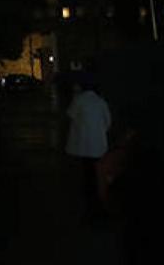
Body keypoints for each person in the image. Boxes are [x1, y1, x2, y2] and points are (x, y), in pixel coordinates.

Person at [65, 77, 111, 222]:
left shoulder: (79, 100)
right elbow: (108, 122)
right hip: (98, 145)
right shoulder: (101, 101)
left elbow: (70, 115)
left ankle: (89, 200)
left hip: (84, 145)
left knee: (87, 171)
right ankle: (98, 198)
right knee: (97, 172)